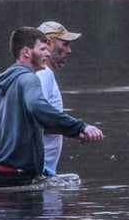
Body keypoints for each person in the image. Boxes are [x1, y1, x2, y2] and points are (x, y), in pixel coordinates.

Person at [0, 26, 104, 187]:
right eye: (43, 49)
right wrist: (80, 127)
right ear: (26, 52)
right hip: (19, 176)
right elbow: (39, 108)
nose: (47, 53)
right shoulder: (30, 79)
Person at [35, 19, 100, 175]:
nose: (69, 51)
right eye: (65, 45)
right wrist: (75, 130)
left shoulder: (44, 74)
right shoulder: (43, 75)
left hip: (41, 169)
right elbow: (34, 122)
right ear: (49, 44)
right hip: (39, 167)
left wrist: (73, 131)